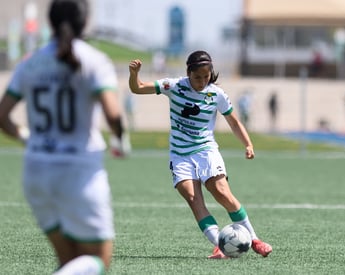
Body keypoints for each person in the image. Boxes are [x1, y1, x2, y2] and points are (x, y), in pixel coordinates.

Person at [0, 0, 130, 274]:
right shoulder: (94, 60)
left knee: (70, 262)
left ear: (50, 23)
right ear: (85, 22)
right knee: (99, 260)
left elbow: (3, 116)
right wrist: (120, 140)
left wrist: (27, 137)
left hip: (36, 172)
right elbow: (113, 114)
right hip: (79, 173)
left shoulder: (31, 63)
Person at [128, 50, 272, 259]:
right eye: (197, 77)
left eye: (206, 76)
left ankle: (255, 239)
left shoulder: (216, 94)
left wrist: (248, 144)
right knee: (194, 199)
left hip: (206, 151)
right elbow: (138, 88)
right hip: (180, 156)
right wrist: (134, 74)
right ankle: (220, 246)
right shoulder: (174, 86)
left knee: (222, 192)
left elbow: (233, 121)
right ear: (188, 73)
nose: (202, 81)